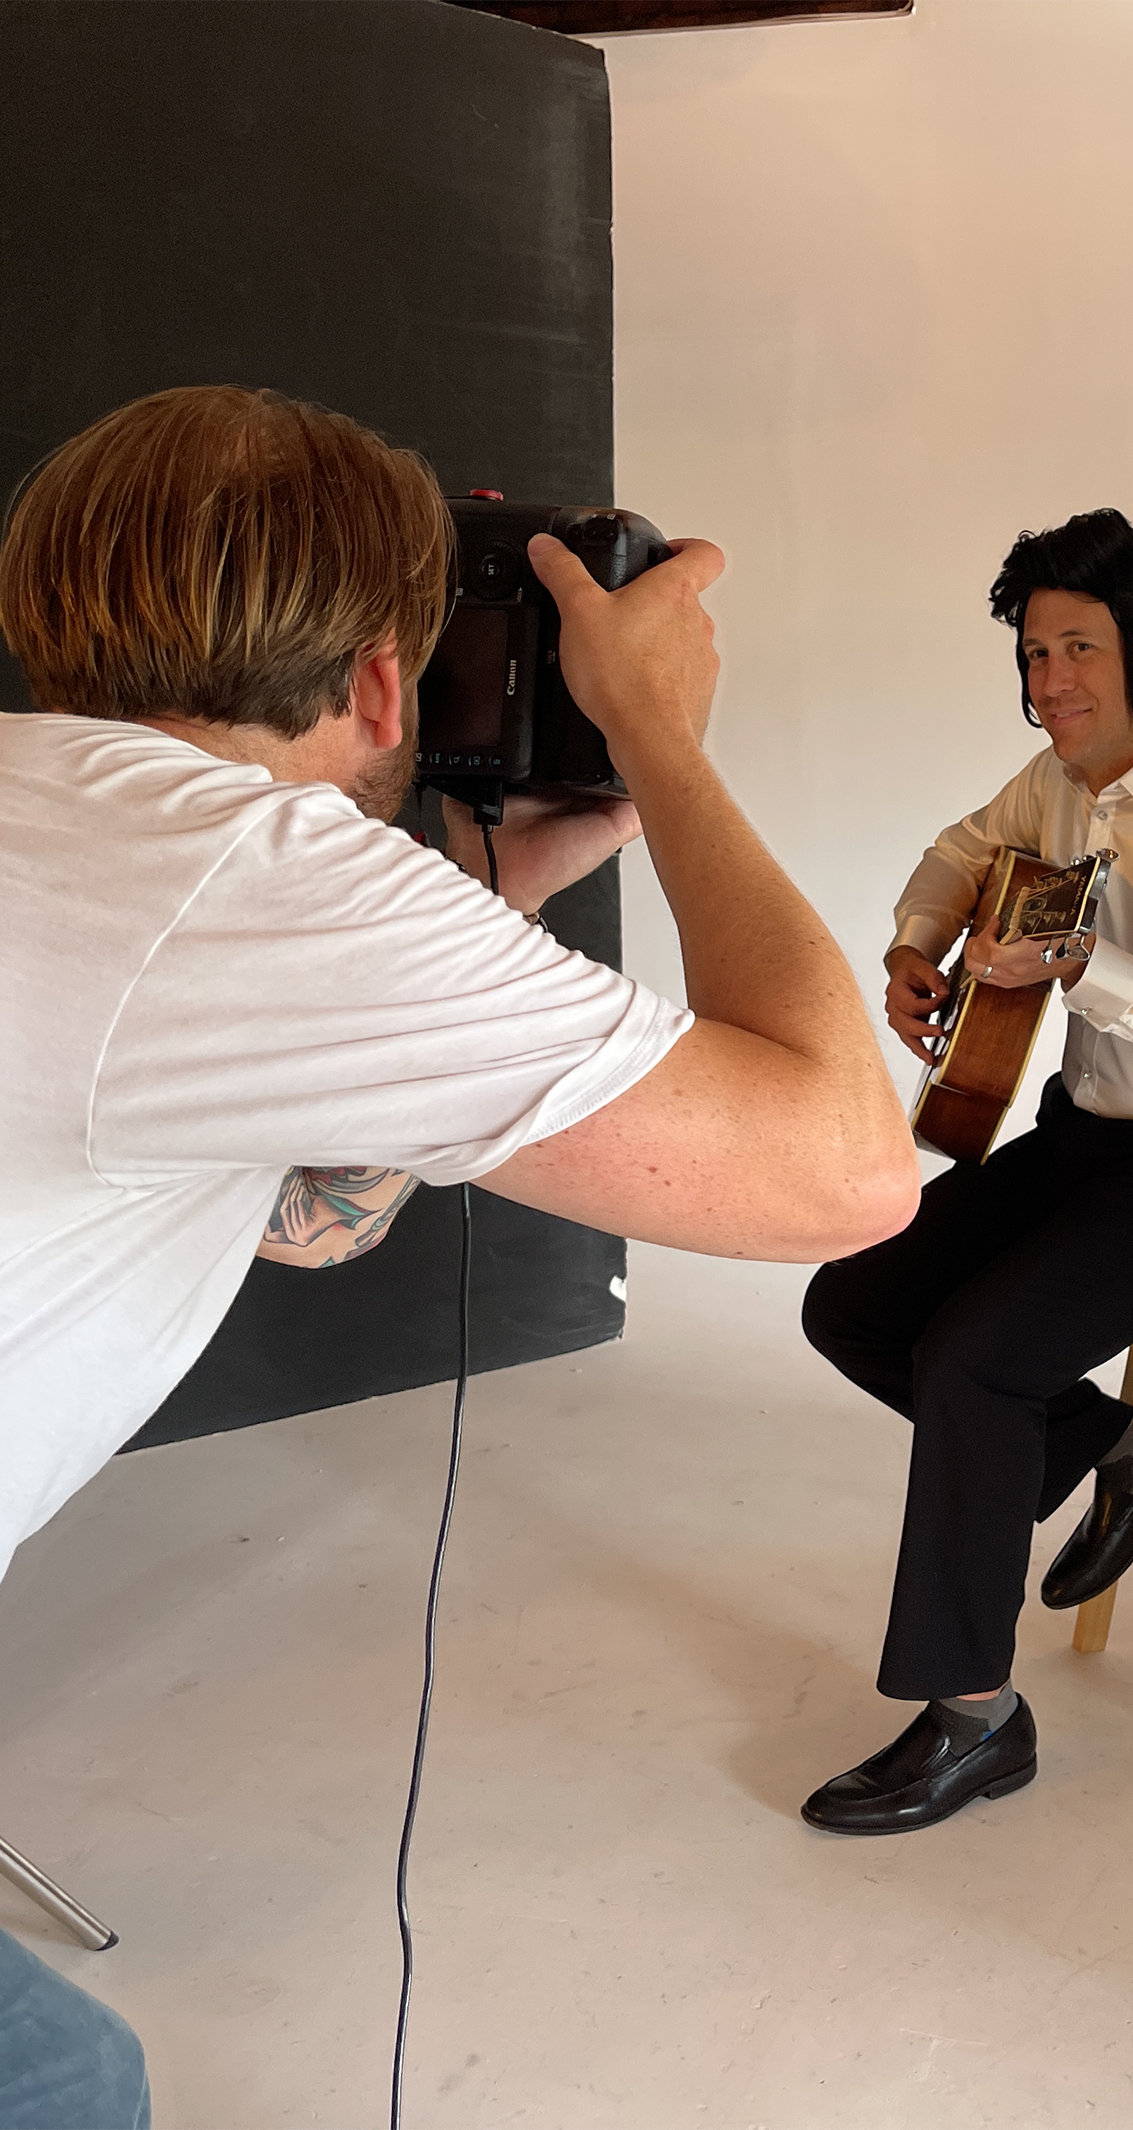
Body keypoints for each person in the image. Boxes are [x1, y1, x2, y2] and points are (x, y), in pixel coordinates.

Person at [0, 385, 919, 2121]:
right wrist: (660, 740)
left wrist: (502, 893)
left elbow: (292, 1216)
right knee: (64, 2089)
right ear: (375, 680)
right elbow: (844, 1173)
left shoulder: (65, 811)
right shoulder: (253, 872)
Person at [799, 508, 1133, 1836]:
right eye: (1032, 656)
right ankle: (1125, 1444)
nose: (1047, 689)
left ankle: (974, 1718)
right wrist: (915, 945)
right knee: (852, 1299)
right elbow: (958, 853)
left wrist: (1095, 969)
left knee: (975, 1355)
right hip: (1087, 1134)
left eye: (1076, 651)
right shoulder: (1053, 786)